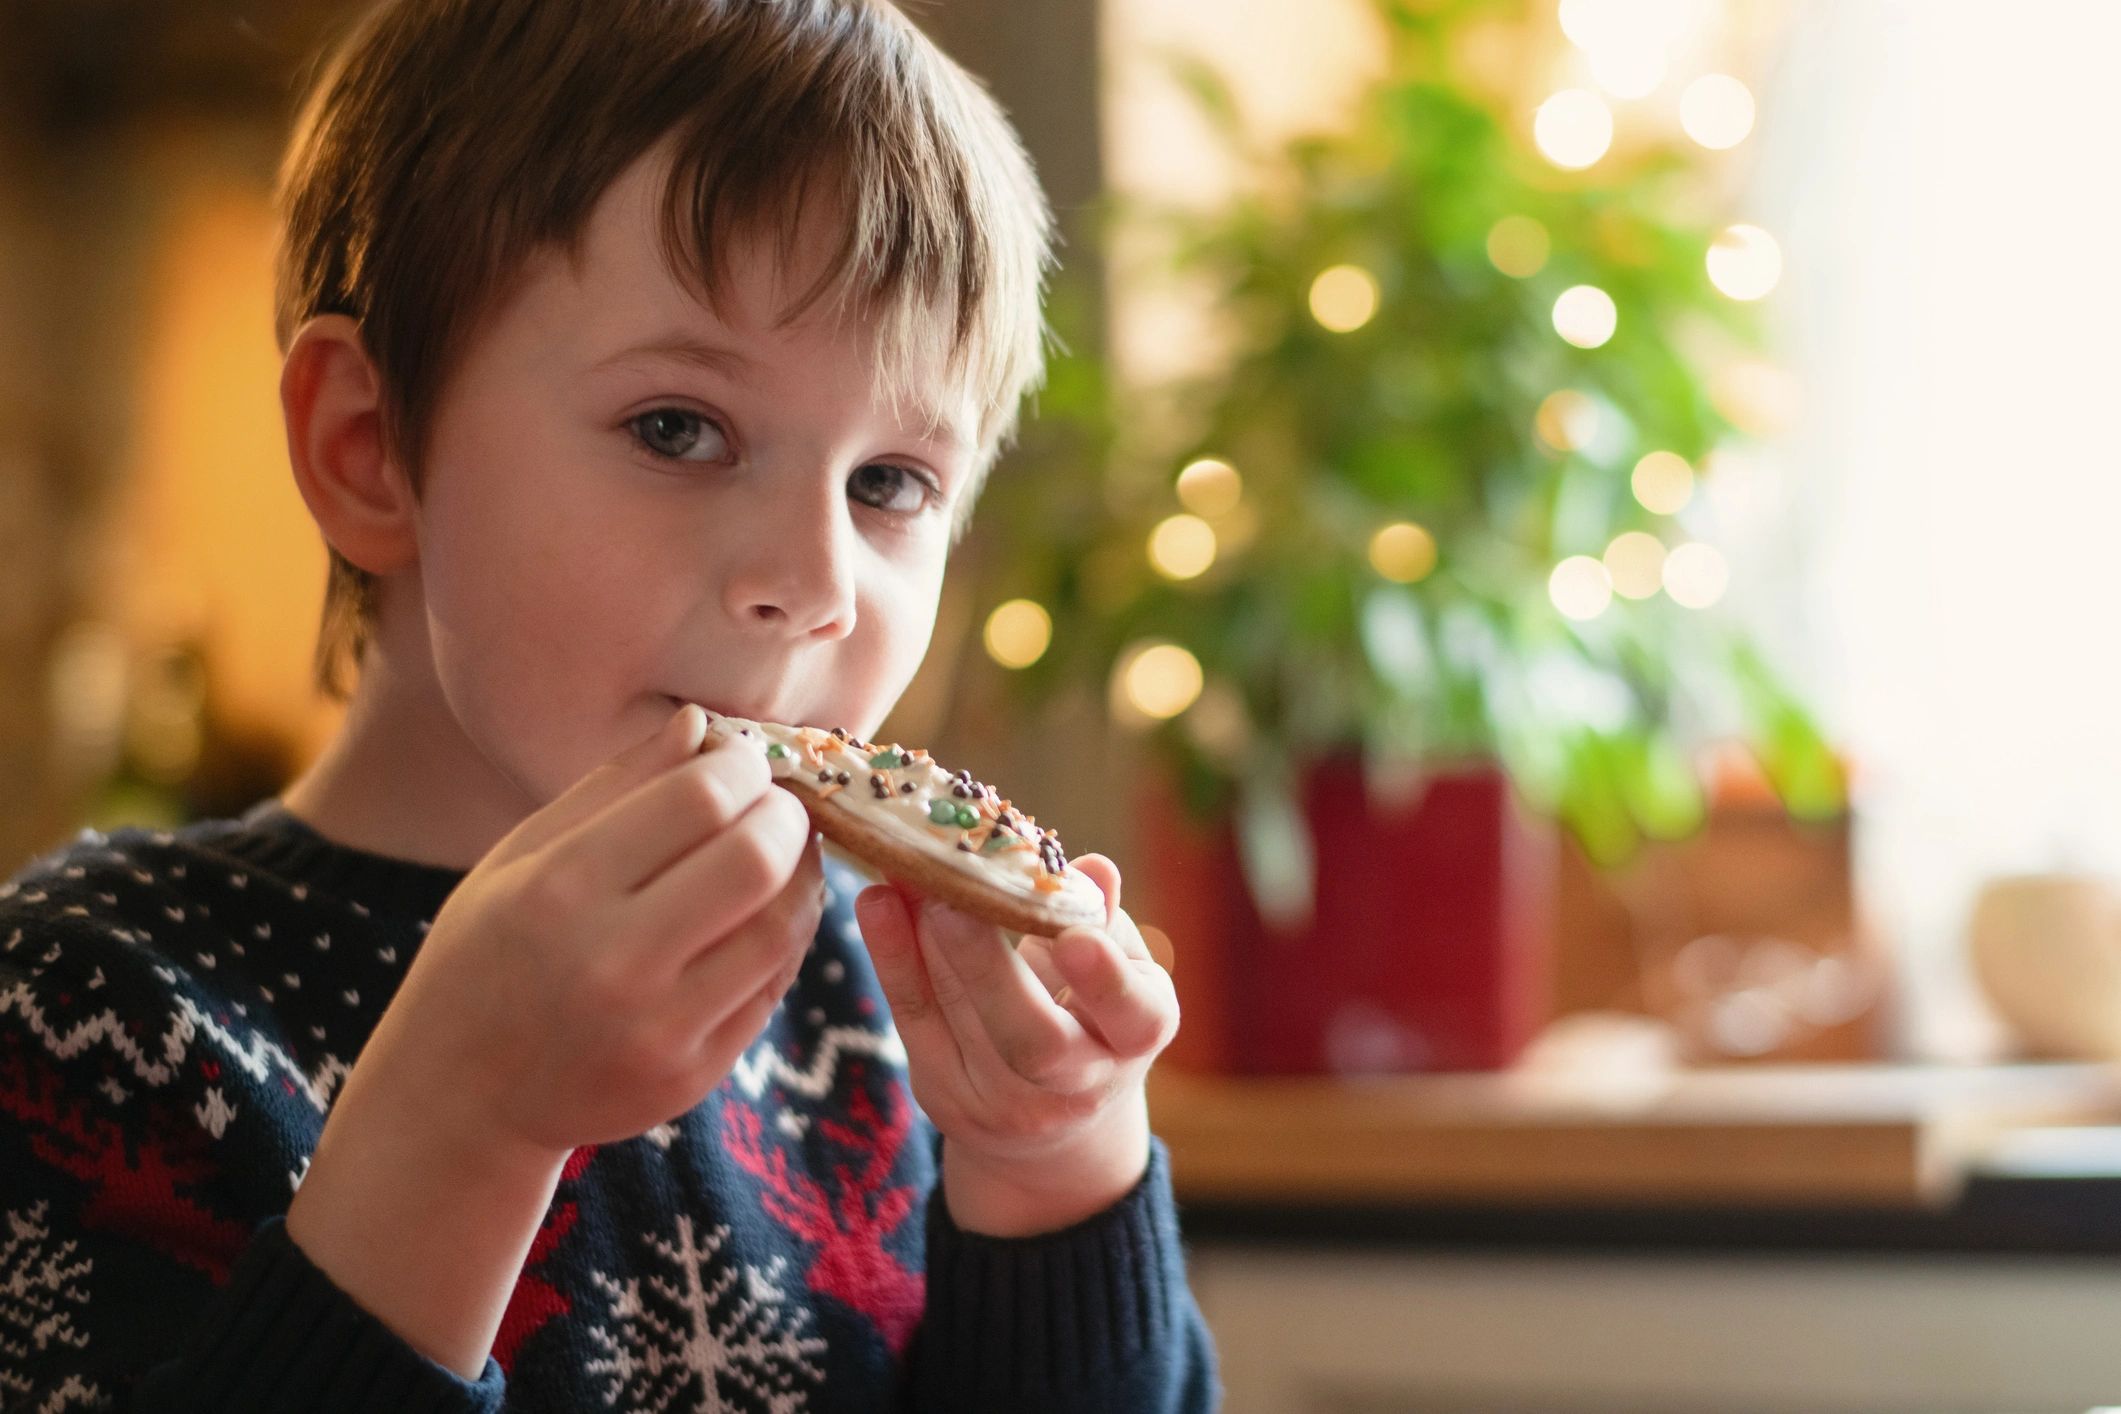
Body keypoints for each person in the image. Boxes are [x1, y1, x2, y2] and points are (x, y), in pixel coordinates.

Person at [0, 0, 1221, 1408]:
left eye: (890, 481)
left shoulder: (890, 1005)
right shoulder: (88, 1009)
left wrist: (1056, 1167)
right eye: (678, 428)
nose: (811, 580)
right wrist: (462, 1128)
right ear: (370, 446)